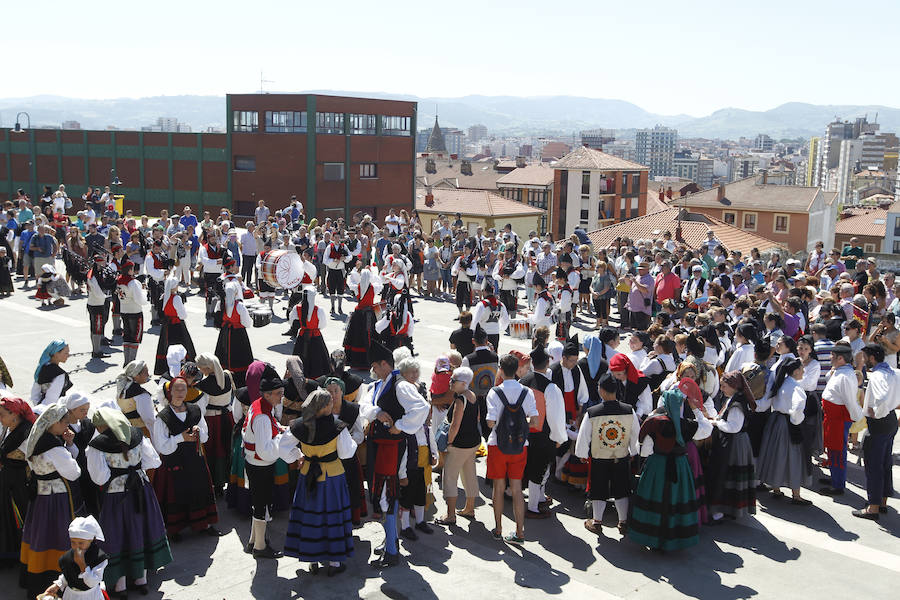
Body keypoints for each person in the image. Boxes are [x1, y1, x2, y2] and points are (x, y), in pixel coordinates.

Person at [358, 341, 429, 568]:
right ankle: (391, 540)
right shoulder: (380, 383)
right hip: (381, 447)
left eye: (375, 366)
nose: (373, 371)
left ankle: (391, 552)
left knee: (386, 496)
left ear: (384, 364)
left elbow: (422, 408)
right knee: (386, 495)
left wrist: (400, 425)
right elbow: (364, 404)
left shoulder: (400, 385)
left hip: (392, 449)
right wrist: (377, 412)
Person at [86, 407, 171, 598]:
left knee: (118, 535)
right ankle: (141, 580)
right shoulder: (137, 435)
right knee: (140, 530)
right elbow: (154, 462)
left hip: (117, 497)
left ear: (102, 426)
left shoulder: (97, 445)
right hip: (141, 491)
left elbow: (99, 478)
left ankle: (121, 584)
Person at [279, 389, 356, 576]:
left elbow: (282, 449)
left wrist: (298, 456)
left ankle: (312, 560)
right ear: (325, 406)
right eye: (330, 403)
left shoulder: (299, 425)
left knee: (311, 516)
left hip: (308, 475)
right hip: (332, 477)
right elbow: (347, 452)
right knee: (332, 518)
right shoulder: (337, 427)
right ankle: (335, 564)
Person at [20, 404, 84, 599]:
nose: (66, 426)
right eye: (64, 422)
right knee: (58, 536)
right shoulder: (55, 449)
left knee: (40, 536)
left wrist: (67, 445)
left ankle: (36, 578)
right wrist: (68, 449)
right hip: (57, 500)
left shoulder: (35, 441)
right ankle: (57, 581)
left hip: (40, 499)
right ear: (54, 423)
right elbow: (74, 473)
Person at [628, 389, 700, 551]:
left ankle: (653, 538)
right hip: (680, 467)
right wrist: (696, 410)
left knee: (655, 500)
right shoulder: (689, 424)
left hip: (658, 467)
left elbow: (643, 451)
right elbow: (706, 429)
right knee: (675, 500)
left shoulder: (654, 423)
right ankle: (673, 539)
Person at [151, 376, 222, 541]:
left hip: (194, 459)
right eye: (177, 389)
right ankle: (174, 529)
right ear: (169, 392)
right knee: (176, 493)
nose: (180, 392)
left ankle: (203, 524)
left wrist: (198, 432)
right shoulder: (163, 417)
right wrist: (180, 438)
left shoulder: (195, 410)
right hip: (174, 462)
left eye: (183, 389)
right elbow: (162, 446)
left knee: (199, 489)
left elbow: (205, 436)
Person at [575, 372, 639, 536]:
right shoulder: (628, 410)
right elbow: (635, 435)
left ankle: (597, 522)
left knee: (598, 489)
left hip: (599, 457)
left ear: (601, 390)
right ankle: (623, 522)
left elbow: (583, 436)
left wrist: (582, 453)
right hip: (621, 456)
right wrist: (633, 451)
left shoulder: (593, 412)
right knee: (622, 489)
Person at [485, 354, 539, 544]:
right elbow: (535, 421)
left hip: (497, 446)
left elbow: (491, 423)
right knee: (516, 489)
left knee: (498, 488)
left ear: (501, 369)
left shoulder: (494, 392)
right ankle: (519, 532)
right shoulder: (527, 392)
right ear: (517, 370)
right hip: (520, 446)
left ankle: (498, 528)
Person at [242, 367, 290, 559]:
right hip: (260, 465)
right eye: (278, 394)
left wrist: (281, 429)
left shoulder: (259, 405)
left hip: (254, 463)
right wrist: (283, 438)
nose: (281, 397)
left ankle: (254, 540)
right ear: (268, 394)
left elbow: (270, 428)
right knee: (262, 504)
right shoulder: (262, 416)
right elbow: (264, 449)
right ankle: (260, 547)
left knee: (258, 502)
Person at [853, 343, 900, 520]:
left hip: (879, 423)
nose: (863, 362)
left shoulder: (878, 375)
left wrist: (877, 412)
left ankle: (873, 507)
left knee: (873, 466)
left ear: (872, 358)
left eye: (864, 358)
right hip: (890, 421)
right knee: (885, 463)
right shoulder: (893, 371)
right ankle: (882, 502)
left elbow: (880, 400)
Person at [756, 358, 812, 505]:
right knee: (793, 457)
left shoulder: (781, 383)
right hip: (788, 423)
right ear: (795, 371)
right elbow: (798, 406)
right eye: (801, 369)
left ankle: (776, 488)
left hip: (775, 421)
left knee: (775, 454)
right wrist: (796, 421)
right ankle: (796, 495)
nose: (803, 371)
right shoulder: (796, 387)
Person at [520, 346, 567, 519]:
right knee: (539, 470)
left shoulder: (523, 381)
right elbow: (555, 417)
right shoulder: (551, 388)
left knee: (530, 467)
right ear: (548, 363)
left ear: (532, 362)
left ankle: (538, 498)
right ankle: (533, 507)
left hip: (524, 433)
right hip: (543, 435)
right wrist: (559, 437)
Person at [706, 371, 758, 521]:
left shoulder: (736, 404)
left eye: (724, 386)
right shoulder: (735, 399)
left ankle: (721, 510)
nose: (721, 389)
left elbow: (734, 427)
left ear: (733, 386)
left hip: (734, 444)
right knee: (730, 476)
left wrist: (716, 422)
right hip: (737, 442)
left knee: (725, 474)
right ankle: (730, 509)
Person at [435, 367, 482, 526]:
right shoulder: (472, 395)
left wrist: (449, 441)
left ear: (462, 383)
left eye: (453, 380)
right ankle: (469, 508)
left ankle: (450, 515)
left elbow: (455, 426)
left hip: (459, 444)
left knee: (449, 478)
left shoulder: (460, 400)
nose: (450, 382)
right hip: (473, 442)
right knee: (469, 475)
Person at [819, 343, 863, 496]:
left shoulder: (845, 376)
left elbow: (850, 400)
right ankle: (835, 478)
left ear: (841, 359)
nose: (830, 358)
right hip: (832, 418)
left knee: (837, 451)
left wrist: (858, 417)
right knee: (832, 450)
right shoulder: (839, 372)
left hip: (838, 419)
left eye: (833, 356)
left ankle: (838, 485)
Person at [194, 353, 235, 496]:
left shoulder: (203, 385)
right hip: (228, 417)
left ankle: (217, 486)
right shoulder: (227, 376)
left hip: (213, 421)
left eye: (200, 368)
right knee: (228, 449)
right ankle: (231, 481)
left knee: (215, 452)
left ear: (207, 368)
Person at [40, 515, 108, 600]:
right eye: (73, 542)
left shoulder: (99, 558)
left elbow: (92, 583)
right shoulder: (69, 556)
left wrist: (82, 566)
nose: (77, 547)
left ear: (92, 539)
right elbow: (68, 573)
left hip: (90, 596)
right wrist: (57, 585)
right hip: (71, 595)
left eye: (81, 543)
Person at [0, 397, 34, 568]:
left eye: (2, 415)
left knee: (16, 520)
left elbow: (33, 462)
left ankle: (15, 557)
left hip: (18, 489)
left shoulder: (26, 434)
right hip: (7, 485)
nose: (0, 418)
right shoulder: (10, 429)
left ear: (14, 415)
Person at [153, 277, 196, 376]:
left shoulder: (164, 296)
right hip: (177, 325)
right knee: (184, 345)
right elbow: (183, 315)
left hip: (167, 326)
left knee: (166, 345)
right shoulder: (176, 298)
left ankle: (165, 368)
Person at [216, 280, 254, 387]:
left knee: (223, 355)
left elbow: (217, 318)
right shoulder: (239, 306)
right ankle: (239, 381)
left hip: (225, 333)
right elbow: (247, 323)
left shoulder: (221, 303)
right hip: (238, 335)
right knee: (240, 357)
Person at [343, 268, 382, 370]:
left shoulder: (357, 287)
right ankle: (368, 359)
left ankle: (356, 361)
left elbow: (349, 281)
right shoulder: (374, 287)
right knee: (369, 335)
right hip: (369, 313)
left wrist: (355, 270)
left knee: (356, 335)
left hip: (358, 315)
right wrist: (373, 275)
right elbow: (380, 283)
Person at [290, 286, 331, 379]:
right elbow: (322, 325)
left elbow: (291, 321)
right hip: (315, 336)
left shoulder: (297, 308)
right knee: (318, 357)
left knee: (300, 355)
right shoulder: (319, 310)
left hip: (303, 335)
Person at [115, 260, 145, 366]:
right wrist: (144, 295)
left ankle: (126, 360)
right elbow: (140, 299)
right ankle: (131, 362)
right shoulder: (133, 283)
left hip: (124, 310)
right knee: (135, 337)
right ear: (130, 270)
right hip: (135, 311)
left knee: (127, 336)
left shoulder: (118, 281)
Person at [471, 279, 511, 352]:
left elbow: (474, 321)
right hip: (495, 333)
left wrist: (473, 332)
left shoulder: (481, 305)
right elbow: (505, 321)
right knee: (493, 354)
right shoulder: (501, 305)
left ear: (484, 291)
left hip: (482, 334)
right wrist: (498, 328)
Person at [323, 234, 353, 314]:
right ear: (333, 238)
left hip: (340, 270)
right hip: (332, 270)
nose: (337, 239)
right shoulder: (329, 247)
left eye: (338, 237)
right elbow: (325, 260)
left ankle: (340, 307)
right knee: (331, 289)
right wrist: (333, 260)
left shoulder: (343, 247)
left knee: (340, 289)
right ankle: (332, 307)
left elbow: (350, 256)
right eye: (335, 237)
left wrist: (345, 258)